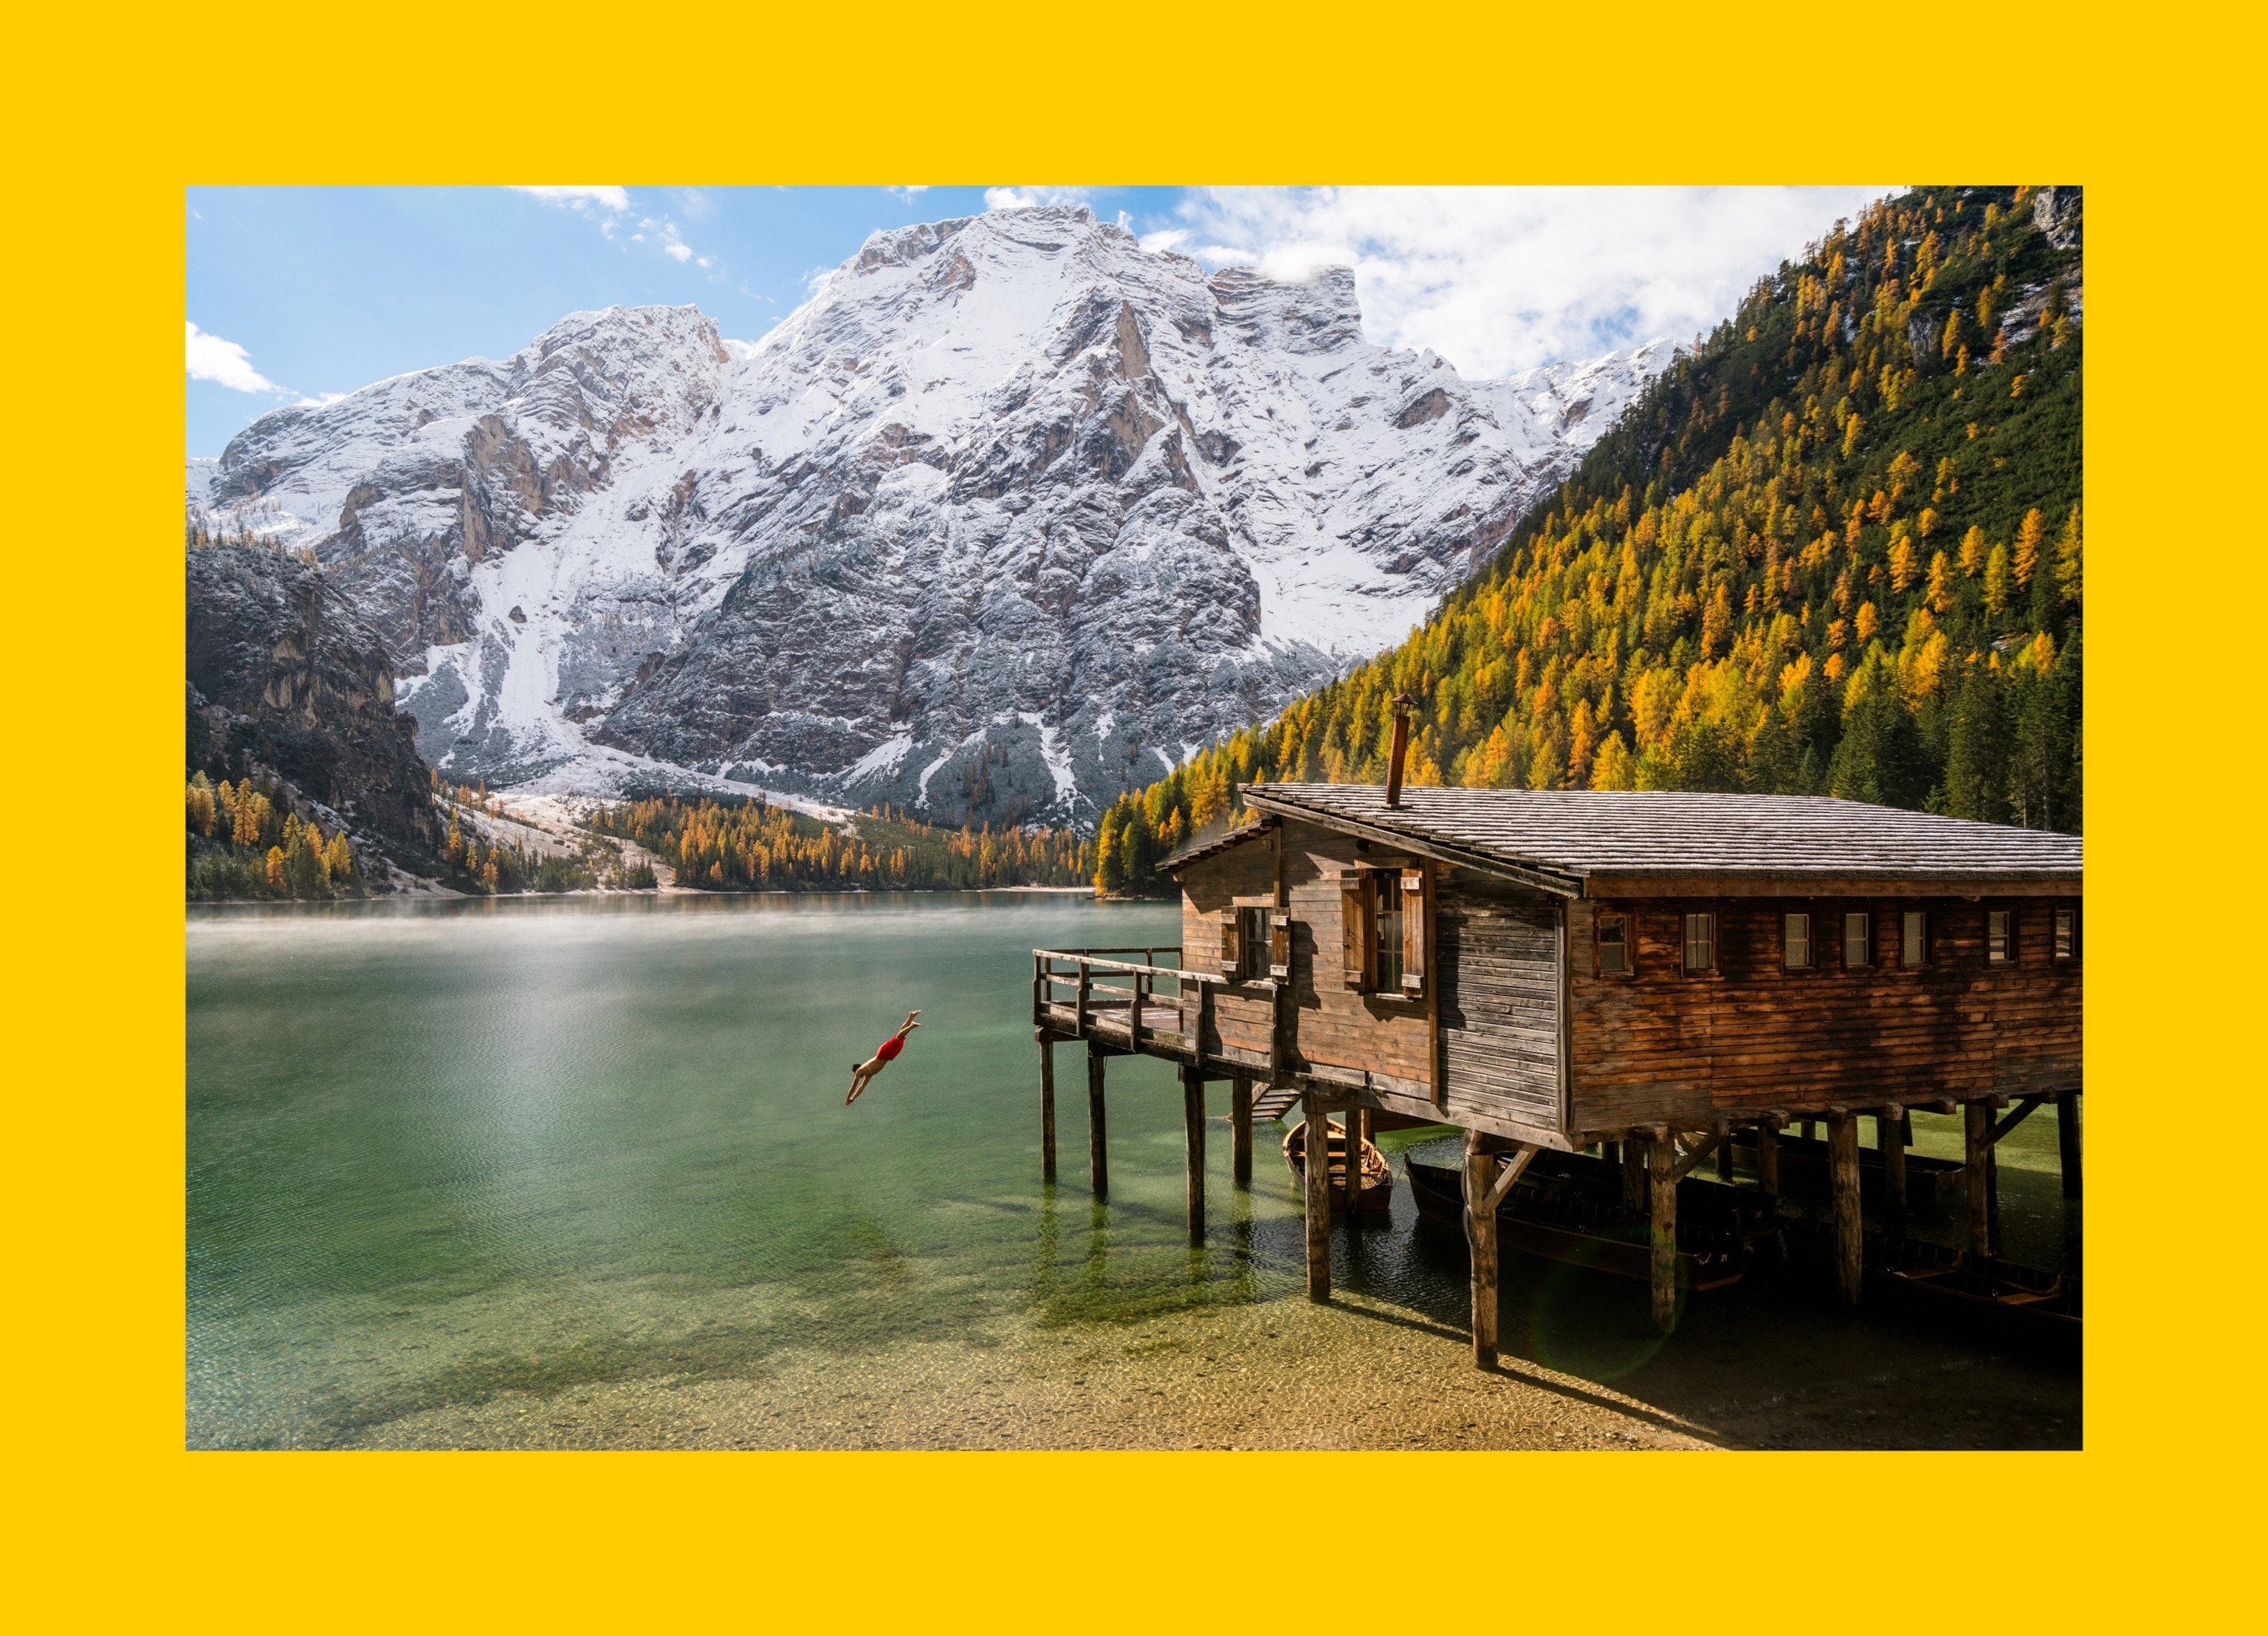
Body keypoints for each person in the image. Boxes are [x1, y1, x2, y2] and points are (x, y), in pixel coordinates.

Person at [845, 1011, 921, 1104]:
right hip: (888, 1057)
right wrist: (853, 1098)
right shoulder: (868, 1075)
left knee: (897, 1039)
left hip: (882, 1054)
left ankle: (912, 1026)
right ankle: (911, 1016)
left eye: (855, 1073)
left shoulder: (859, 1071)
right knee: (900, 1037)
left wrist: (847, 1097)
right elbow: (862, 1087)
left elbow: (854, 1085)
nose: (857, 1076)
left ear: (856, 1069)